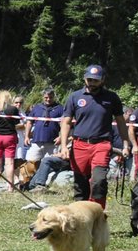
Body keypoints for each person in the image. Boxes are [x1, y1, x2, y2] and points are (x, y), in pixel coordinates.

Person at [56, 64, 133, 210]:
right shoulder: (75, 97)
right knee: (80, 184)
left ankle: (97, 214)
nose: (92, 83)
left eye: (95, 80)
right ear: (85, 79)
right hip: (79, 145)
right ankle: (79, 215)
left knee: (99, 181)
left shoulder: (112, 97)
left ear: (103, 80)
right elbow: (65, 122)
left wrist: (125, 144)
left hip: (101, 144)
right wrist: (64, 146)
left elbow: (121, 122)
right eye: (89, 80)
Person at [0, 89, 21, 192]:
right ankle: (10, 187)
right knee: (9, 163)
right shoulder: (13, 109)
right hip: (9, 137)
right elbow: (17, 123)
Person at [25, 88, 64, 168]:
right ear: (43, 97)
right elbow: (29, 122)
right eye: (46, 97)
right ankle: (29, 180)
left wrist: (61, 137)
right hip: (36, 142)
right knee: (30, 163)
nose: (48, 99)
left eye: (51, 97)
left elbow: (65, 124)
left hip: (52, 143)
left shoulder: (60, 108)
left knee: (49, 166)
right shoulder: (37, 107)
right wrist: (26, 136)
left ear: (54, 97)